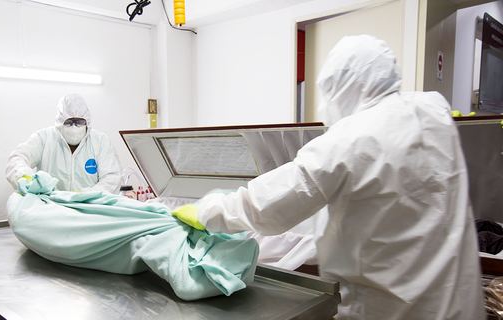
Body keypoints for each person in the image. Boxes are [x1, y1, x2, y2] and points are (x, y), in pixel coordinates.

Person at [172, 35, 485, 319]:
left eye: (330, 90)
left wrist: (206, 212)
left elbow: (265, 207)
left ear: (349, 87)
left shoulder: (348, 140)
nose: (326, 104)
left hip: (390, 309)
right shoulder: (433, 110)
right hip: (459, 303)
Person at [5, 93, 123, 193]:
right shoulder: (44, 138)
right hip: (52, 206)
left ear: (87, 122)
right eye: (69, 122)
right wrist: (25, 177)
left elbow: (112, 177)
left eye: (79, 122)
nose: (74, 127)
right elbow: (18, 158)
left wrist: (86, 196)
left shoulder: (100, 141)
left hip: (90, 208)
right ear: (59, 122)